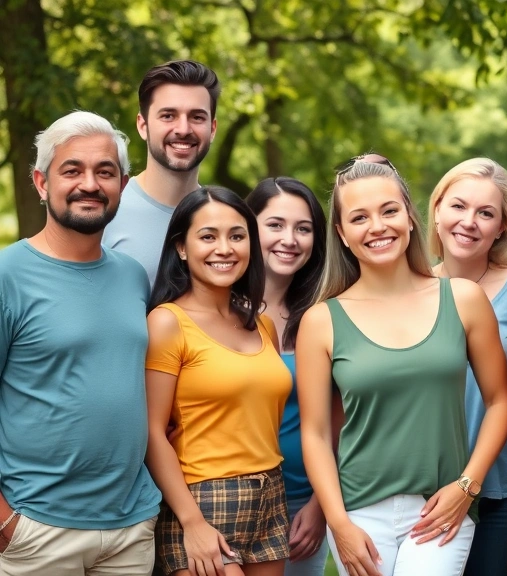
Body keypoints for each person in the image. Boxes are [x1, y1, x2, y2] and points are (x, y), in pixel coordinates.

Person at [296, 156, 507, 576]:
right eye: (359, 217)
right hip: (359, 514)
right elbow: (317, 433)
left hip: (440, 508)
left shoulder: (464, 299)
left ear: (412, 218)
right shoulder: (321, 321)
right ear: (342, 234)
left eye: (389, 211)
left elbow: (500, 401)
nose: (377, 226)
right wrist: (338, 522)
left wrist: (467, 486)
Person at [0, 111, 161, 575]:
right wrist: (7, 522)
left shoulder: (132, 276)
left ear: (123, 185)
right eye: (72, 170)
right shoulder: (9, 276)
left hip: (131, 529)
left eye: (104, 171)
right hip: (38, 530)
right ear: (40, 181)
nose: (89, 184)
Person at [145, 186, 292, 576]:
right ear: (181, 247)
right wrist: (192, 522)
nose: (225, 248)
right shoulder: (167, 322)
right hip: (202, 498)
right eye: (208, 236)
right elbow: (151, 432)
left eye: (237, 236)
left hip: (270, 493)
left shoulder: (261, 325)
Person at [426, 158, 507, 576]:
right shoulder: (410, 287)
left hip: (500, 492)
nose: (469, 222)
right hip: (424, 493)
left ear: (502, 226)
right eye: (458, 206)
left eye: (485, 213)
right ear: (436, 211)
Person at [246, 178, 330, 576]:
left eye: (303, 228)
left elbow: (342, 416)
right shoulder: (216, 309)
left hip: (304, 509)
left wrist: (321, 506)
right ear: (248, 227)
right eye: (275, 225)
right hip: (230, 500)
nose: (290, 239)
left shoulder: (327, 313)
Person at [104, 59, 220, 286]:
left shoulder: (225, 218)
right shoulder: (107, 213)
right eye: (168, 116)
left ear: (212, 129)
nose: (183, 129)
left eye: (197, 117)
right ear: (142, 125)